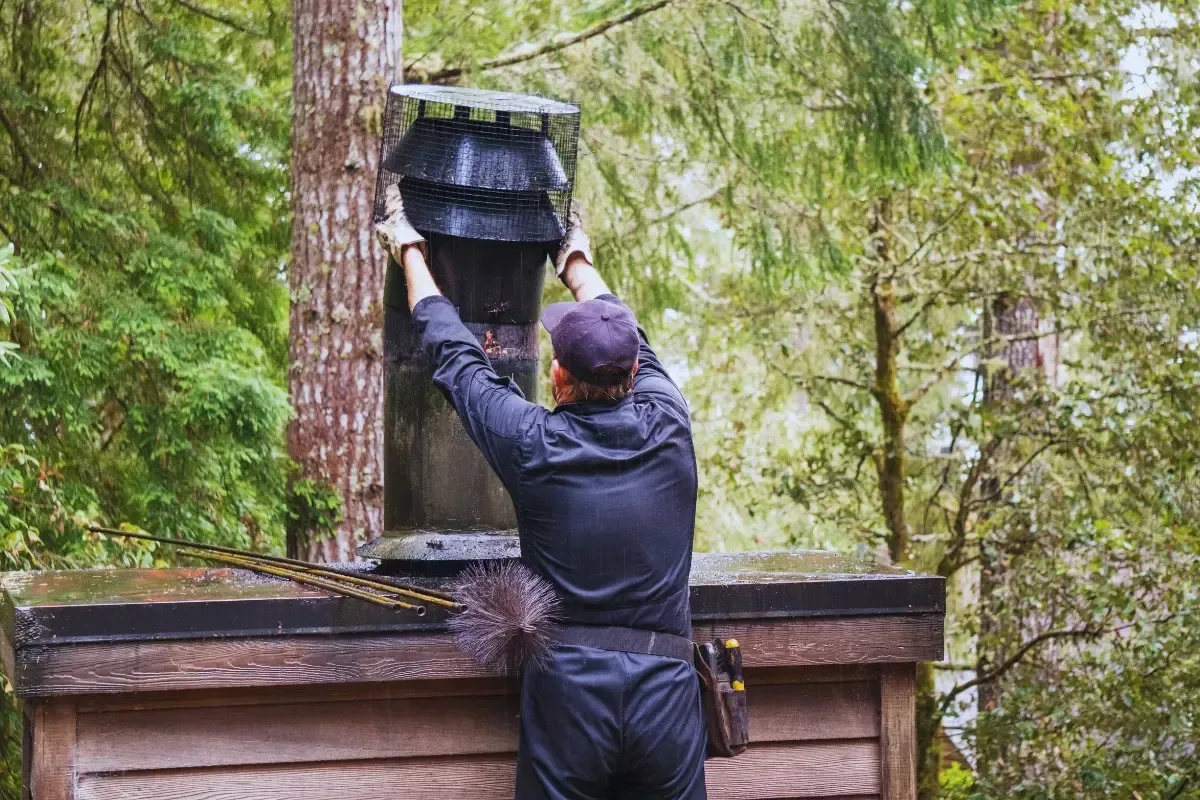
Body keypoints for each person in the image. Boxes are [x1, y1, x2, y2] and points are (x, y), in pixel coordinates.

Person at [376, 186, 706, 800]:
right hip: (667, 689)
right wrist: (574, 257)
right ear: (635, 373)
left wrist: (409, 249)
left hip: (571, 691)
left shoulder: (534, 442)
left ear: (557, 377)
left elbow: (456, 358)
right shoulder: (670, 421)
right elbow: (624, 326)